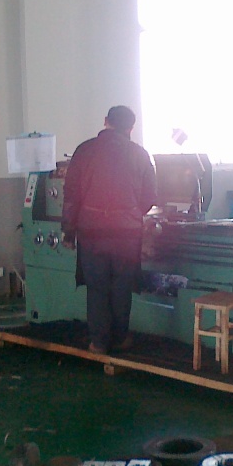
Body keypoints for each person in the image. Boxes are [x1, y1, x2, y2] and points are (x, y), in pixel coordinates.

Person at [62, 106, 157, 354]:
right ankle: (121, 338)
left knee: (97, 287)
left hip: (91, 232)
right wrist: (130, 213)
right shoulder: (140, 154)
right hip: (127, 234)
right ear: (131, 128)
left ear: (106, 121)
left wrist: (69, 231)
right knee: (122, 287)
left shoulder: (84, 151)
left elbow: (71, 195)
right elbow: (150, 197)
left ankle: (98, 342)